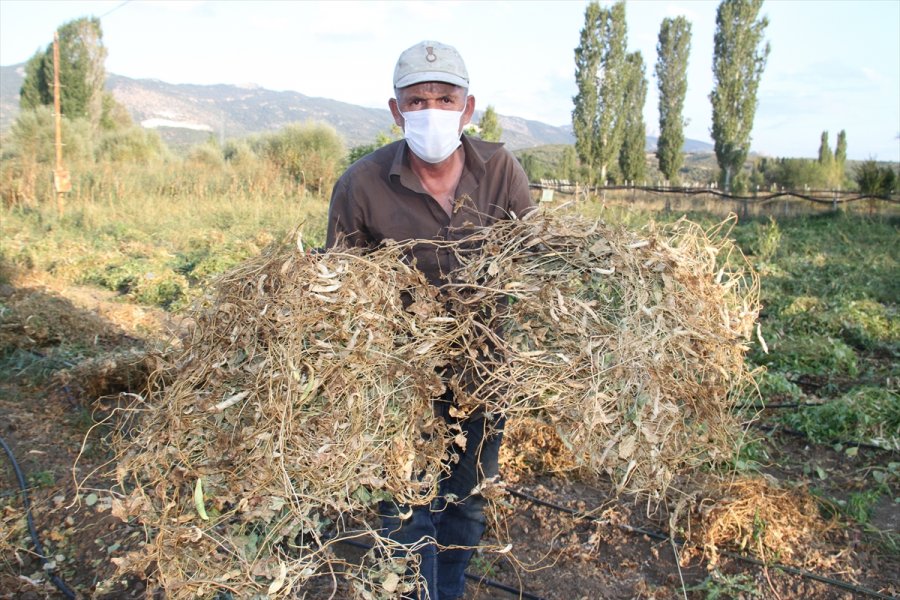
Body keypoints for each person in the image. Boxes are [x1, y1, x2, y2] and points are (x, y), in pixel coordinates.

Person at [325, 40, 535, 600]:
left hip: (483, 373)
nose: (431, 111)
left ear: (468, 109)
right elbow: (340, 290)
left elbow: (537, 260)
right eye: (417, 101)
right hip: (399, 380)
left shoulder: (501, 171)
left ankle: (449, 591)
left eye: (445, 99)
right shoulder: (360, 185)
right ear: (395, 112)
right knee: (408, 511)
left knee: (465, 506)